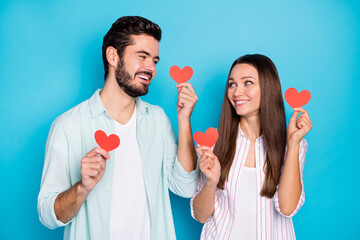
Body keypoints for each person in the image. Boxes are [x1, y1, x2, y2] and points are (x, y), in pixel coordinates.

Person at [37, 16, 199, 240]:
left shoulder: (158, 121)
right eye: (142, 57)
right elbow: (47, 215)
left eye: (155, 60)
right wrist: (82, 188)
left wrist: (184, 120)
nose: (150, 68)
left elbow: (186, 187)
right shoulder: (68, 126)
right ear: (113, 56)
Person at [191, 54, 312, 239]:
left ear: (268, 87)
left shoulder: (294, 144)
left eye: (247, 82)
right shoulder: (212, 143)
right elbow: (201, 216)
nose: (237, 92)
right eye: (232, 84)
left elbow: (287, 208)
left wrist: (293, 142)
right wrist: (211, 181)